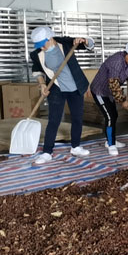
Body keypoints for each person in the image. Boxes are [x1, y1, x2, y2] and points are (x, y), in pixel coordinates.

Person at [30, 26, 94, 165]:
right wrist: (42, 85)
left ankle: (75, 146)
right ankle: (47, 152)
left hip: (75, 86)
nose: (42, 48)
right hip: (56, 88)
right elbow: (37, 71)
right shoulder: (36, 54)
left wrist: (83, 40)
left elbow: (89, 45)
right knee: (54, 120)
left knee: (77, 117)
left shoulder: (65, 43)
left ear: (50, 38)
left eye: (43, 44)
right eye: (39, 45)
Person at [90, 42, 128, 156]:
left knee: (114, 115)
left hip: (108, 93)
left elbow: (124, 75)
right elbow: (114, 84)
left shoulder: (125, 61)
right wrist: (122, 100)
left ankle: (110, 140)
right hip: (100, 92)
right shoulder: (116, 62)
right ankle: (111, 145)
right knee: (109, 116)